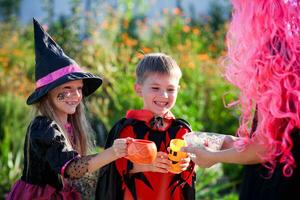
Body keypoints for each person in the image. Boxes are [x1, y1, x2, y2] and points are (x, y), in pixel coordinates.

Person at [181, 0, 300, 199]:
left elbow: (264, 149)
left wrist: (212, 157)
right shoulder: (293, 51)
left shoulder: (275, 54)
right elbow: (279, 143)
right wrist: (224, 142)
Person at [7, 18, 131, 200]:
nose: (76, 95)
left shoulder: (71, 125)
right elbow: (73, 169)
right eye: (67, 89)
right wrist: (112, 152)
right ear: (48, 93)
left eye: (79, 89)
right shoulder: (44, 127)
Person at [96, 53, 196, 200]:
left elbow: (190, 172)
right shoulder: (128, 128)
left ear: (178, 90)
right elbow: (116, 169)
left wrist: (187, 164)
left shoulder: (181, 130)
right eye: (155, 88)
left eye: (170, 89)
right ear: (138, 89)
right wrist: (148, 165)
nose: (164, 95)